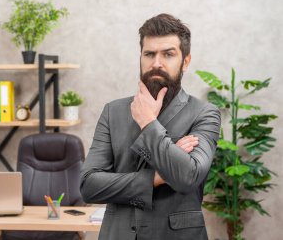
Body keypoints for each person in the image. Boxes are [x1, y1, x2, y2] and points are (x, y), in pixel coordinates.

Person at [80, 14, 221, 240]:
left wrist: (147, 122)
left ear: (185, 61)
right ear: (141, 57)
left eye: (168, 54)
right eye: (149, 54)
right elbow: (89, 186)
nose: (157, 63)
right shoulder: (112, 111)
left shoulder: (204, 113)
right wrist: (156, 177)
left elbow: (188, 177)